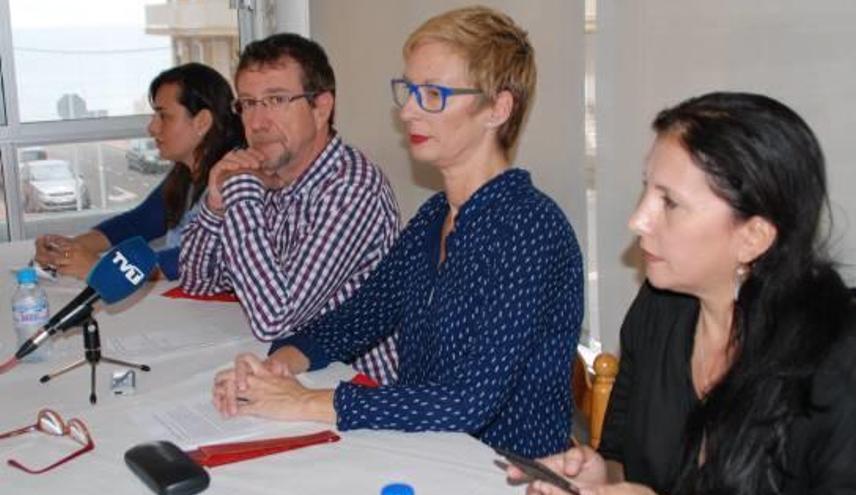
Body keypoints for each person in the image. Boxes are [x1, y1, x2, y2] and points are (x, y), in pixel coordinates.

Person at [211, 6, 583, 458]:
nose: (407, 111)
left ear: (497, 108)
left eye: (432, 94)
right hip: (431, 453)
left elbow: (468, 401)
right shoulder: (434, 216)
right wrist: (277, 368)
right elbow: (362, 316)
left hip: (505, 472)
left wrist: (305, 402)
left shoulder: (529, 229)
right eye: (408, 90)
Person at [510, 92, 856, 494]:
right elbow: (624, 461)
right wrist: (600, 478)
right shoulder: (660, 307)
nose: (638, 219)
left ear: (753, 237)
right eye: (646, 190)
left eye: (669, 202)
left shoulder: (852, 360)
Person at [178, 34, 401, 383]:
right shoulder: (270, 171)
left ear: (321, 107)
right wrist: (215, 206)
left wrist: (242, 191)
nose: (257, 122)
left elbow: (276, 319)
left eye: (276, 100)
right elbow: (196, 282)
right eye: (248, 104)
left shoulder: (352, 186)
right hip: (288, 372)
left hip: (350, 387)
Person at [33, 63, 244, 281]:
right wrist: (68, 249)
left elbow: (203, 259)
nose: (152, 128)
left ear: (202, 122)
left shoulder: (234, 178)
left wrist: (101, 267)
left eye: (164, 116)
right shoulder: (186, 174)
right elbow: (138, 223)